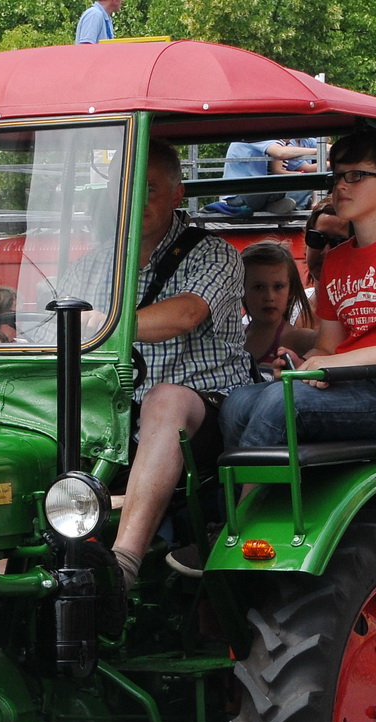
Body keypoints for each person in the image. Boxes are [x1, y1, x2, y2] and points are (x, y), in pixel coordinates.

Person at [221, 129, 376, 452]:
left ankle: (247, 502)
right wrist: (302, 364)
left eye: (356, 176)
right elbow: (328, 349)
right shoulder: (336, 261)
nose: (340, 185)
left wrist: (346, 363)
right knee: (237, 402)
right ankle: (247, 497)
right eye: (337, 176)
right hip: (353, 385)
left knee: (280, 403)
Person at [93, 141, 249, 588]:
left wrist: (96, 325)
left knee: (165, 400)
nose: (135, 200)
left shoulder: (213, 253)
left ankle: (123, 565)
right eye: (125, 188)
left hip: (208, 419)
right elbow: (49, 334)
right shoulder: (92, 265)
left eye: (150, 189)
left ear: (177, 195)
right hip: (113, 423)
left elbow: (186, 314)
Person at [241, 243, 317, 375]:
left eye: (278, 287)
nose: (269, 297)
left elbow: (327, 343)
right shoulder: (236, 337)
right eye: (259, 287)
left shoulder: (295, 338)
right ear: (241, 290)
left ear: (291, 290)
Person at [208, 140, 319, 215]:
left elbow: (301, 165)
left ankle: (275, 206)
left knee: (305, 181)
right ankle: (273, 206)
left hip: (256, 192)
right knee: (289, 181)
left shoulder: (267, 142)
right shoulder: (253, 137)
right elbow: (280, 153)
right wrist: (318, 150)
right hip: (240, 197)